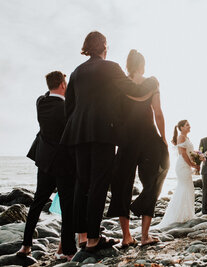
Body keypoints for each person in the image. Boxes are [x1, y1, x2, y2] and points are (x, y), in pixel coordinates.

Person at [60, 31, 158, 253]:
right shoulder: (110, 67)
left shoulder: (76, 72)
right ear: (104, 47)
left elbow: (70, 107)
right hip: (103, 132)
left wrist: (77, 127)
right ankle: (94, 239)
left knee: (81, 184)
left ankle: (82, 238)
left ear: (87, 47)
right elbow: (134, 90)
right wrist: (152, 82)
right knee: (99, 183)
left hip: (77, 133)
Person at [107, 49, 169, 248]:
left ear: (128, 66)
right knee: (150, 183)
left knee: (122, 185)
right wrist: (164, 138)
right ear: (142, 65)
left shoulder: (120, 84)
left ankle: (126, 237)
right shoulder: (152, 82)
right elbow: (158, 112)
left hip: (127, 140)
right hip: (149, 138)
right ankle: (144, 236)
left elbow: (113, 114)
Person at [18, 71, 76, 260]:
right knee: (67, 206)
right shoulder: (67, 108)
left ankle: (26, 245)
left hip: (44, 161)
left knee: (37, 202)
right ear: (62, 84)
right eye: (65, 83)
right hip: (63, 163)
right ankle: (68, 251)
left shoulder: (40, 103)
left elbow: (45, 94)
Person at [155, 120, 198, 228]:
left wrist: (197, 156)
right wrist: (192, 165)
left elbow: (189, 152)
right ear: (182, 127)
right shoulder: (181, 137)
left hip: (186, 165)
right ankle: (178, 216)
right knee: (184, 188)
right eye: (187, 125)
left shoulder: (186, 137)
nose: (190, 126)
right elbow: (183, 154)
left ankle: (187, 214)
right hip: (183, 165)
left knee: (188, 188)